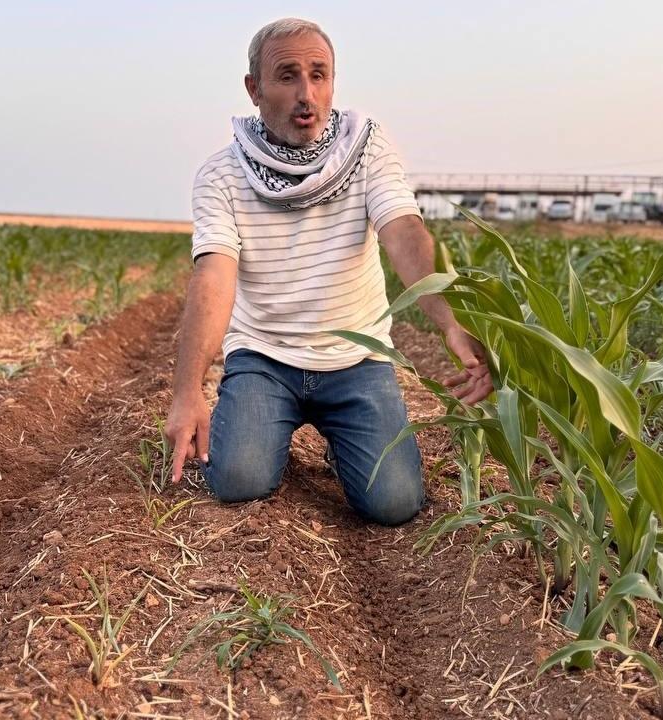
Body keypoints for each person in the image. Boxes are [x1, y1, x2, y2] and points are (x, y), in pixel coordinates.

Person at [164, 17, 492, 526]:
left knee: (394, 503)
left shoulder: (366, 149)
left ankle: (344, 446)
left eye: (319, 75)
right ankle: (268, 430)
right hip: (265, 356)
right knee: (238, 481)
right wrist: (188, 391)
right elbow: (214, 276)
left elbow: (403, 232)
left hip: (356, 359)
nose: (307, 94)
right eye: (287, 76)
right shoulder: (222, 174)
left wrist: (450, 320)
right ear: (254, 89)